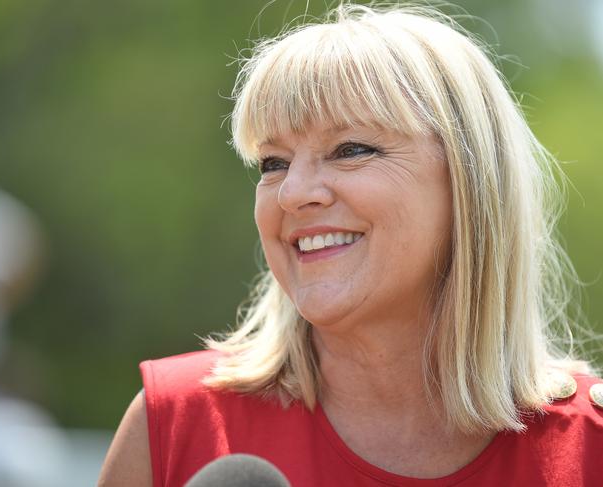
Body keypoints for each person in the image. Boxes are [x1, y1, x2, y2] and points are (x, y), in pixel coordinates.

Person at [98, 4, 603, 486]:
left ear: (470, 183)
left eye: (351, 150)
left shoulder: (591, 447)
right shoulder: (173, 427)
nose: (293, 193)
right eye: (273, 162)